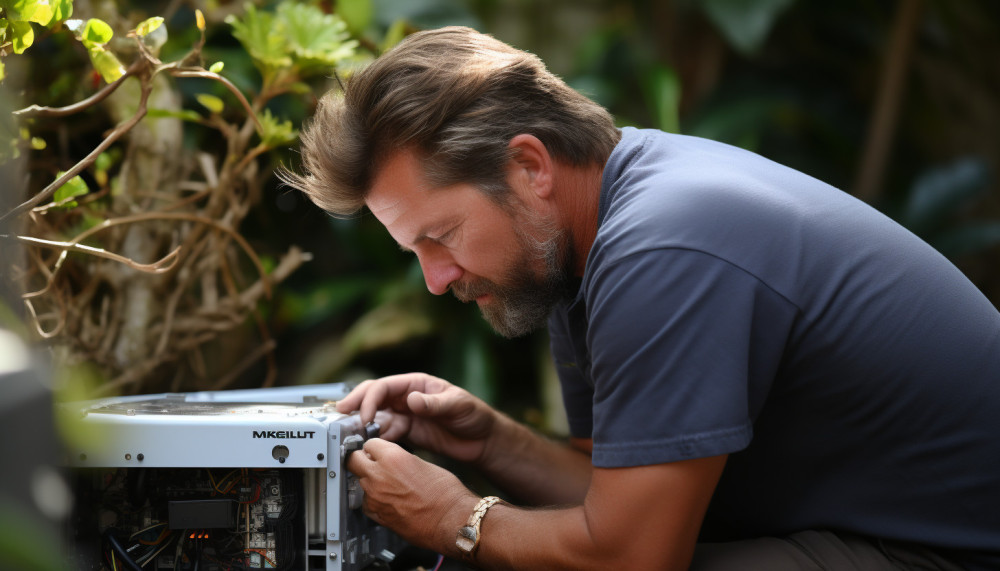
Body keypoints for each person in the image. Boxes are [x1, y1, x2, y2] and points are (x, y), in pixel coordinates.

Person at [284, 26, 1000, 570]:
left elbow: (631, 555)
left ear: (529, 165)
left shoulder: (664, 245)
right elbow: (615, 491)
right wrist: (493, 441)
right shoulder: (576, 244)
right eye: (417, 252)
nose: (436, 279)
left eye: (441, 235)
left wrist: (457, 518)